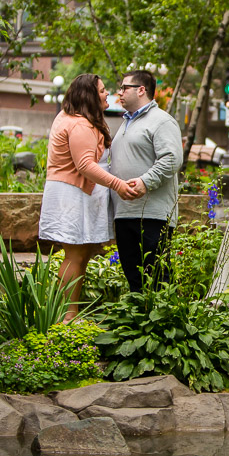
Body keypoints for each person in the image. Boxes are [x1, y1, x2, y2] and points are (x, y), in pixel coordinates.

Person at [38, 73, 138, 322]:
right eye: (103, 90)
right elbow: (84, 165)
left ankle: (71, 312)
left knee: (80, 255)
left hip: (80, 194)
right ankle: (67, 315)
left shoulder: (77, 118)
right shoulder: (79, 124)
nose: (107, 94)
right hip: (73, 196)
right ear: (89, 95)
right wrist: (118, 185)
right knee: (74, 255)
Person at [111, 69, 183, 293]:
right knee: (135, 281)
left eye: (125, 88)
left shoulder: (161, 121)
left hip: (152, 215)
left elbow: (172, 158)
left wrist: (145, 182)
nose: (119, 93)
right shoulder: (125, 123)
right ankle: (137, 325)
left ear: (141, 90)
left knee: (157, 279)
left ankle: (162, 326)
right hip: (125, 213)